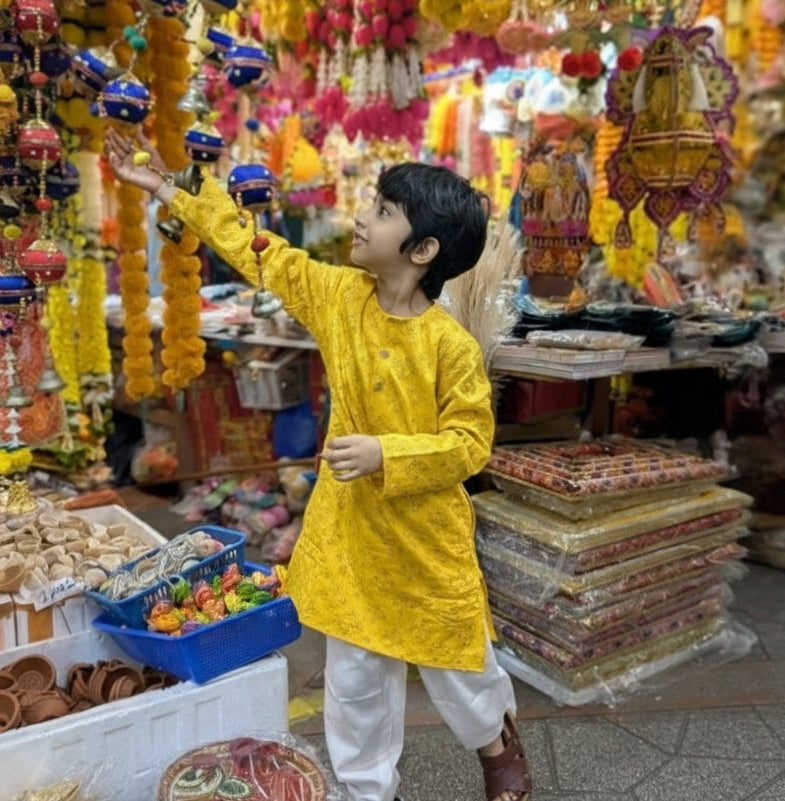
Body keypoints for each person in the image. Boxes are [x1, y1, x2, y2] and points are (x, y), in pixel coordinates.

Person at [104, 128, 532, 801]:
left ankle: (497, 744)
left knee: (459, 671)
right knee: (356, 679)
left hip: (426, 544)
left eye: (383, 211)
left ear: (422, 251)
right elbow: (260, 251)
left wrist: (386, 452)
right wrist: (170, 189)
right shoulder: (339, 297)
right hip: (351, 535)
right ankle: (367, 790)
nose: (362, 217)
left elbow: (470, 443)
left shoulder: (448, 345)